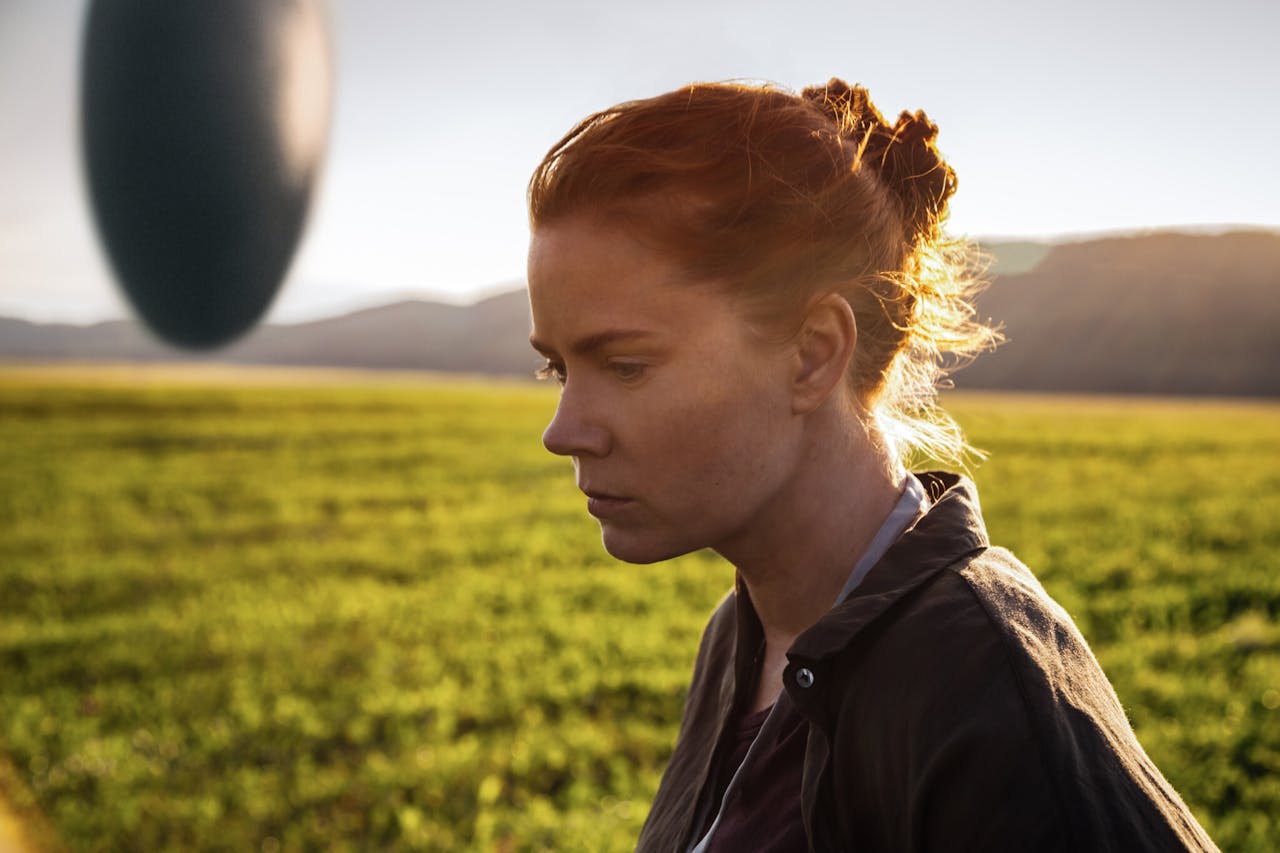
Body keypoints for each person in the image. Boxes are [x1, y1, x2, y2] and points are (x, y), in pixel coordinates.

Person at [524, 79, 1217, 852]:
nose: (564, 430)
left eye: (622, 365)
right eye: (558, 368)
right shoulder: (742, 635)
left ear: (813, 353)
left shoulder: (988, 689)